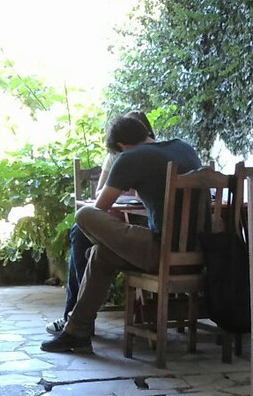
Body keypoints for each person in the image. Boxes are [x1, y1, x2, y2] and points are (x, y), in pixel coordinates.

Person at [41, 113, 201, 353]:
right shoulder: (183, 147)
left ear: (121, 146)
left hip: (162, 252)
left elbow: (100, 208)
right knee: (100, 254)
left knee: (83, 216)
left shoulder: (130, 158)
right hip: (199, 251)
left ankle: (75, 326)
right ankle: (77, 332)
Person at [47, 110, 155, 334]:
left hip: (148, 231)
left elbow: (101, 205)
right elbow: (100, 194)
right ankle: (75, 318)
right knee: (84, 238)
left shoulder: (150, 155)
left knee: (85, 231)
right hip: (125, 220)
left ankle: (77, 320)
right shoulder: (121, 156)